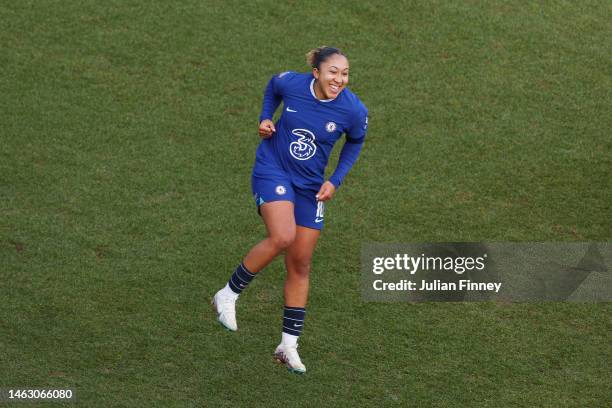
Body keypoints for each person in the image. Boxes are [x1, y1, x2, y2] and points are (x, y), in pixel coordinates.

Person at [212, 46, 368, 374]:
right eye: (333, 72)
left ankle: (288, 345)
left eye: (345, 73)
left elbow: (355, 141)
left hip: (311, 187)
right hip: (274, 168)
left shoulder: (352, 110)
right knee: (283, 235)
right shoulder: (293, 83)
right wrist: (266, 118)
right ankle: (227, 294)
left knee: (301, 263)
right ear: (317, 73)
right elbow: (273, 87)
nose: (340, 79)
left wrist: (335, 180)